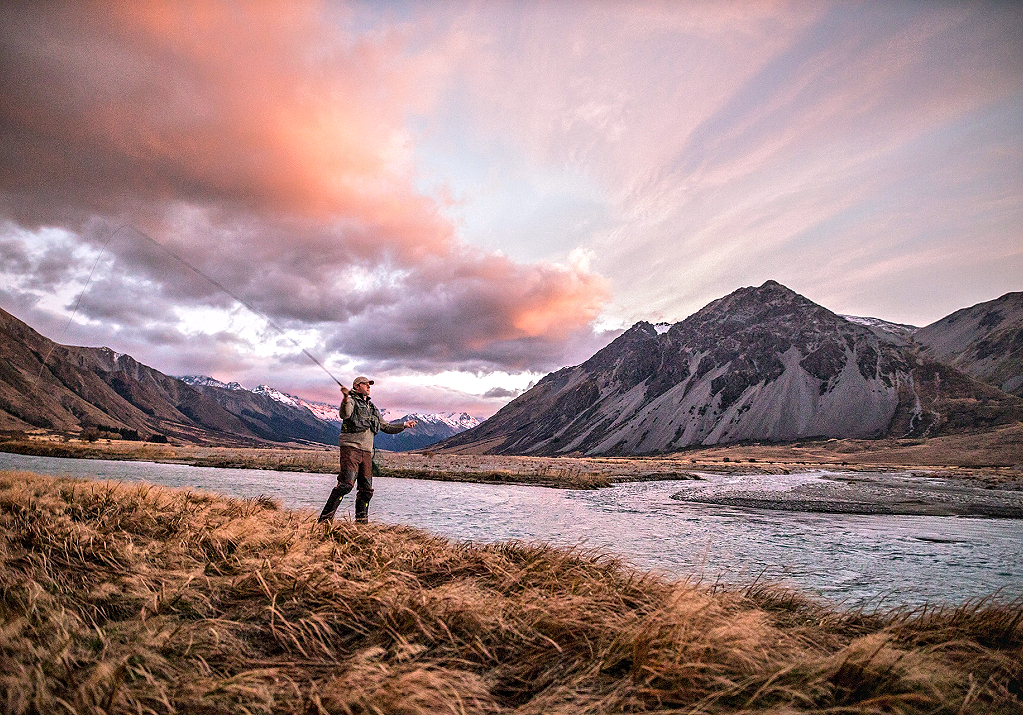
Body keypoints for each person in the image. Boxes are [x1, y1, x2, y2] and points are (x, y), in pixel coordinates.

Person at [318, 376, 416, 523]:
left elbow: (386, 427)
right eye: (366, 384)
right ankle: (324, 521)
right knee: (346, 485)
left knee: (366, 490)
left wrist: (404, 425)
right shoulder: (350, 400)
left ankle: (361, 525)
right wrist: (345, 399)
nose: (369, 387)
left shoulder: (372, 408)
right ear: (357, 386)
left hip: (366, 452)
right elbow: (344, 414)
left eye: (369, 385)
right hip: (351, 448)